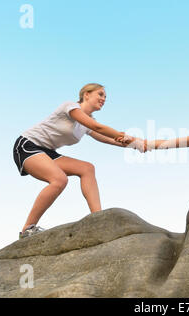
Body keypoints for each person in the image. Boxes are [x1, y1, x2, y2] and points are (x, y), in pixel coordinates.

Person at [13, 83, 144, 239]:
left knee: (87, 168)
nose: (103, 99)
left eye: (105, 97)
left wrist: (135, 144)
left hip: (48, 152)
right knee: (59, 179)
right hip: (27, 145)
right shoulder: (70, 107)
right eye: (100, 94)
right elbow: (99, 127)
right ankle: (27, 229)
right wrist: (120, 134)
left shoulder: (87, 124)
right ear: (86, 94)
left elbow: (111, 139)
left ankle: (98, 218)